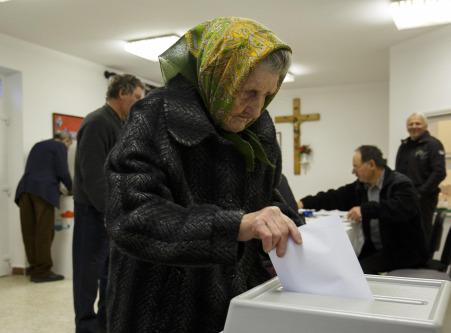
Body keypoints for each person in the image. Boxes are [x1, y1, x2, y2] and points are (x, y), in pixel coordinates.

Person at [104, 17, 303, 332]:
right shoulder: (155, 117)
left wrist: (292, 227)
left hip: (234, 305)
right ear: (218, 75)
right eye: (248, 91)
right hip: (159, 311)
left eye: (267, 95)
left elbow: (264, 198)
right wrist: (233, 226)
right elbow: (131, 215)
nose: (256, 108)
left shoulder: (258, 132)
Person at [72, 74, 144, 333]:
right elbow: (92, 173)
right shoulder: (97, 122)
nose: (137, 103)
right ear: (122, 93)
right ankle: (86, 326)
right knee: (87, 274)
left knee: (109, 273)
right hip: (93, 210)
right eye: (136, 97)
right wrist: (107, 210)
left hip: (111, 211)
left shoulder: (119, 124)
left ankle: (104, 325)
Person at [297, 145, 428, 274]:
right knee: (341, 264)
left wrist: (365, 210)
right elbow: (335, 196)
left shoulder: (400, 183)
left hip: (402, 251)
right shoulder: (362, 186)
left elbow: (402, 208)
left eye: (356, 167)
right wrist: (303, 203)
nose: (353, 172)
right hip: (377, 249)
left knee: (356, 272)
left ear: (371, 164)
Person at [15, 131, 73, 283]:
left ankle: (34, 268)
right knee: (44, 231)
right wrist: (72, 188)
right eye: (68, 146)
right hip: (43, 191)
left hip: (24, 190)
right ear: (65, 141)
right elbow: (62, 171)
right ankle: (43, 272)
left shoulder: (38, 145)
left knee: (29, 231)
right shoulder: (59, 146)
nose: (67, 149)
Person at [395, 112, 446, 241]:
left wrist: (420, 193)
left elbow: (439, 172)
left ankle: (423, 261)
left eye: (418, 123)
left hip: (423, 200)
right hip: (403, 199)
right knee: (405, 236)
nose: (414, 126)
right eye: (411, 124)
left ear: (425, 126)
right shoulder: (404, 146)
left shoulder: (433, 144)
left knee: (421, 235)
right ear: (407, 127)